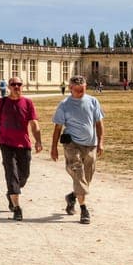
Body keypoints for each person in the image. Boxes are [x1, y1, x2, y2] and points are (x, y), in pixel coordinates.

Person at [50, 75, 105, 225]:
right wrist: (54, 147)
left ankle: (72, 197)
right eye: (77, 90)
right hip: (72, 144)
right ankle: (84, 209)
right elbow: (58, 128)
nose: (80, 92)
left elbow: (99, 124)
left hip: (90, 145)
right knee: (78, 172)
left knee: (86, 178)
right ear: (70, 89)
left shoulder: (93, 101)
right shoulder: (64, 105)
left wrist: (101, 142)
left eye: (83, 89)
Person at [0, 77, 43, 221]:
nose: (16, 87)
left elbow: (34, 124)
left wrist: (38, 140)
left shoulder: (28, 103)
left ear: (22, 86)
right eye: (13, 84)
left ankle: (11, 193)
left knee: (24, 176)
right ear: (8, 87)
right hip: (6, 144)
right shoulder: (1, 103)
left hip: (24, 144)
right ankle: (17, 208)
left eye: (19, 84)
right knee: (11, 173)